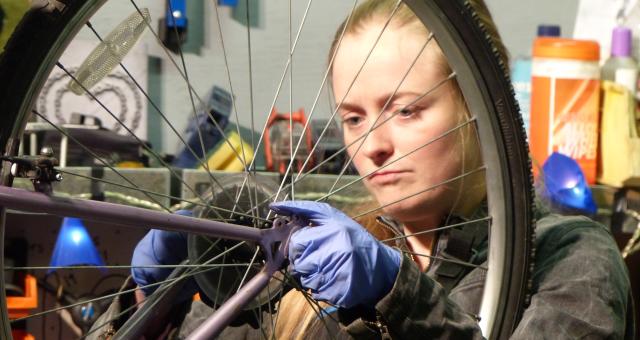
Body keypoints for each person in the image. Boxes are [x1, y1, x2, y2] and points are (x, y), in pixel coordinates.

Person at [130, 0, 634, 338]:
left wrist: (399, 296)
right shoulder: (320, 262)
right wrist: (160, 306)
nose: (372, 144)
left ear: (481, 106)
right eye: (353, 117)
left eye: (406, 110)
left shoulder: (568, 258)